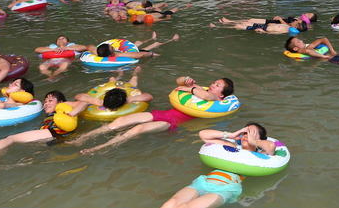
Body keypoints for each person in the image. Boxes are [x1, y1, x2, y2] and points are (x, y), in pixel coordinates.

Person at [110, 123, 275, 208]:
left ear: (259, 138)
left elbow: (271, 148)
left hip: (226, 188)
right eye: (245, 132)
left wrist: (255, 142)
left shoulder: (260, 155)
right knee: (170, 204)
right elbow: (203, 135)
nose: (247, 135)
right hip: (204, 182)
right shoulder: (229, 146)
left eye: (251, 133)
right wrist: (231, 135)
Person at [76, 75, 233, 154]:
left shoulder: (215, 99)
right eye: (214, 82)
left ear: (222, 94)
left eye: (217, 85)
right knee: (120, 120)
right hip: (164, 113)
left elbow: (206, 97)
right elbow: (178, 81)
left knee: (137, 130)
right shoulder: (201, 88)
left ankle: (99, 148)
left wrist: (190, 89)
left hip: (172, 121)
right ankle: (83, 138)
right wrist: (185, 80)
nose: (213, 84)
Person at [0, 91, 87, 166]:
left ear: (60, 102)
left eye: (50, 100)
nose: (46, 103)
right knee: (15, 151)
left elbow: (85, 100)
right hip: (52, 138)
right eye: (45, 100)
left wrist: (73, 112)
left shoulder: (65, 106)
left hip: (54, 133)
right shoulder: (49, 114)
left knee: (10, 139)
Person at [73, 66, 153, 112]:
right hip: (121, 95)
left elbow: (77, 96)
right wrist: (131, 99)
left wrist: (87, 97)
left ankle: (130, 74)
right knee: (127, 82)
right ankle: (129, 74)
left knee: (123, 83)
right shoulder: (128, 100)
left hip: (123, 92)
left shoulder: (99, 102)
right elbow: (149, 96)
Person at [94, 32, 179, 60]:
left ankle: (152, 38)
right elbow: (140, 55)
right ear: (110, 54)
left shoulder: (104, 53)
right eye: (112, 48)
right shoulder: (120, 55)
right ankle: (172, 40)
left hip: (133, 51)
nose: (113, 47)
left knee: (137, 42)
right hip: (143, 54)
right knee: (156, 44)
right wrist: (152, 54)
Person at [212, 17, 305, 35]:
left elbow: (275, 33)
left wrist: (264, 31)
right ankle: (225, 23)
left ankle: (216, 27)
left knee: (239, 26)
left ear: (296, 27)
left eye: (296, 23)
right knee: (245, 23)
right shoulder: (288, 26)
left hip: (262, 28)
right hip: (262, 25)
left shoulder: (287, 30)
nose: (294, 22)